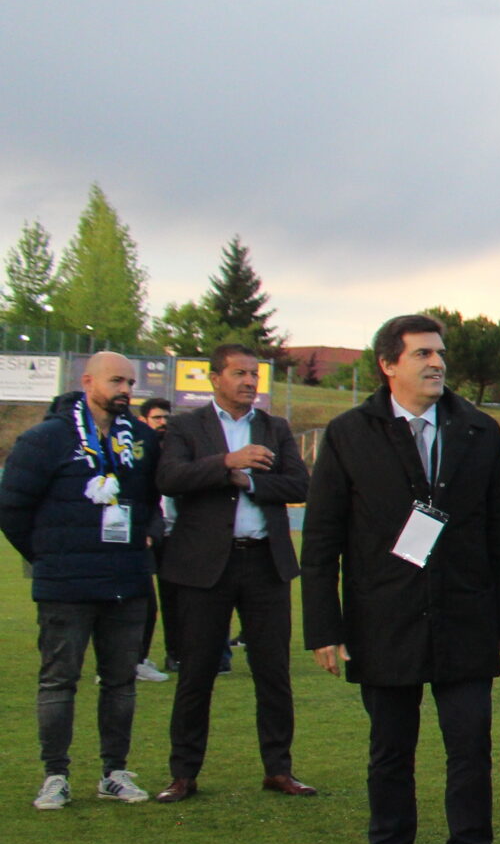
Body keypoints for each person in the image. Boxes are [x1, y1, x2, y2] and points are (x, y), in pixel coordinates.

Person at [301, 314, 500, 844]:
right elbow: (321, 539)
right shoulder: (350, 433)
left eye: (441, 353)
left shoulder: (479, 429)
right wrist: (325, 625)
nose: (437, 363)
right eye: (423, 353)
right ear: (388, 364)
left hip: (466, 618)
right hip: (384, 619)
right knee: (390, 749)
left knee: (470, 745)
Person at [155, 344, 313, 800]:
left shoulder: (274, 428)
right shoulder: (186, 427)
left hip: (265, 563)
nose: (249, 382)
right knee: (197, 672)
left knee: (273, 671)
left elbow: (299, 484)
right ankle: (183, 773)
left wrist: (251, 480)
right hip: (204, 567)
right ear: (215, 378)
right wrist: (227, 463)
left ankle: (279, 769)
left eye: (254, 375)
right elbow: (169, 479)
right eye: (239, 373)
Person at [5, 351, 160, 809]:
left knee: (120, 682)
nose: (126, 391)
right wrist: (47, 556)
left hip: (126, 581)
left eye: (131, 383)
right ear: (87, 380)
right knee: (59, 681)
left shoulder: (144, 443)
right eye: (117, 381)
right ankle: (56, 774)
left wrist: (147, 535)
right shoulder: (45, 439)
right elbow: (12, 508)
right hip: (65, 585)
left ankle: (114, 771)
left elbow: (153, 501)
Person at [132, 396, 173, 683]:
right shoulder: (137, 450)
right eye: (157, 418)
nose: (163, 423)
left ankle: (176, 655)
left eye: (166, 418)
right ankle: (130, 661)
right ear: (144, 419)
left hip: (174, 536)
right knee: (143, 603)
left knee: (176, 602)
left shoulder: (175, 449)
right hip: (146, 535)